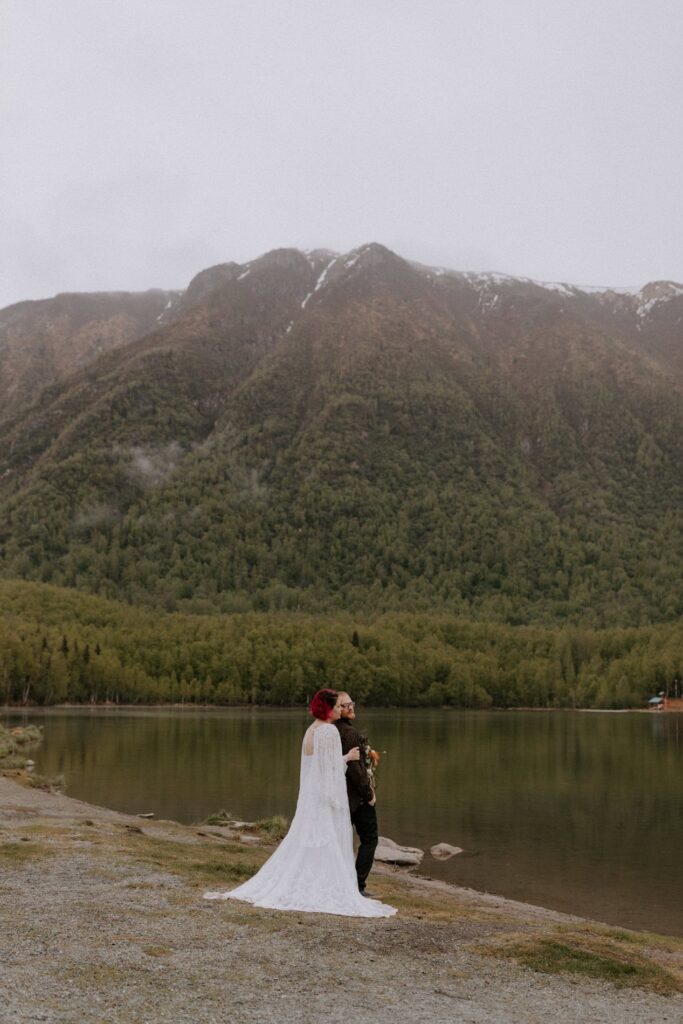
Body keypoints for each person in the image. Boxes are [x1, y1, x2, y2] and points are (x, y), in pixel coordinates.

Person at [203, 688, 396, 918]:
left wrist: (342, 760)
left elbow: (314, 768)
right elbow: (329, 772)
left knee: (309, 844)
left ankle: (310, 881)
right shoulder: (328, 732)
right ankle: (332, 886)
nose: (339, 711)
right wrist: (347, 760)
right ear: (328, 709)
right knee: (328, 843)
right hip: (324, 798)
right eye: (336, 707)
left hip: (310, 798)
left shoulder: (311, 731)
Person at [334, 691, 380, 895]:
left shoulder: (332, 730)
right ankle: (357, 885)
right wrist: (368, 794)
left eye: (351, 703)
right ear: (337, 708)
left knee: (340, 840)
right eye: (345, 705)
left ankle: (341, 882)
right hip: (357, 798)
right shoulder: (349, 733)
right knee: (370, 839)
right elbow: (355, 769)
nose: (351, 707)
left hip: (338, 796)